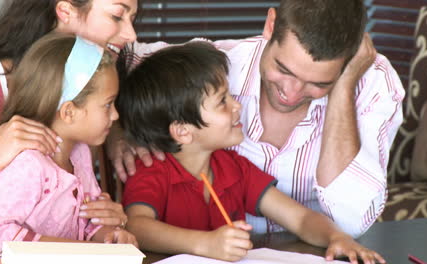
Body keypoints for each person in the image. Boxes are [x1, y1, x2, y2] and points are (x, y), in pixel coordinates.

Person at [113, 0, 405, 238]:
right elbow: (106, 57)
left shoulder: (373, 84)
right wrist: (114, 128)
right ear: (271, 25)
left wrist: (342, 87)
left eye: (319, 83)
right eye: (284, 69)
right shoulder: (210, 68)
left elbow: (352, 223)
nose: (291, 94)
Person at [117, 41, 385, 264]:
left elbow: (300, 218)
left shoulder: (235, 168)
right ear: (183, 131)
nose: (237, 106)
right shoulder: (151, 170)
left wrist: (335, 238)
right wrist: (204, 243)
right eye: (222, 101)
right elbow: (137, 226)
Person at [0, 33, 138, 260]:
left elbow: (88, 223)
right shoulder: (29, 164)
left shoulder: (79, 156)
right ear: (69, 112)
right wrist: (79, 250)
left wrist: (111, 237)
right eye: (108, 105)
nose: (115, 115)